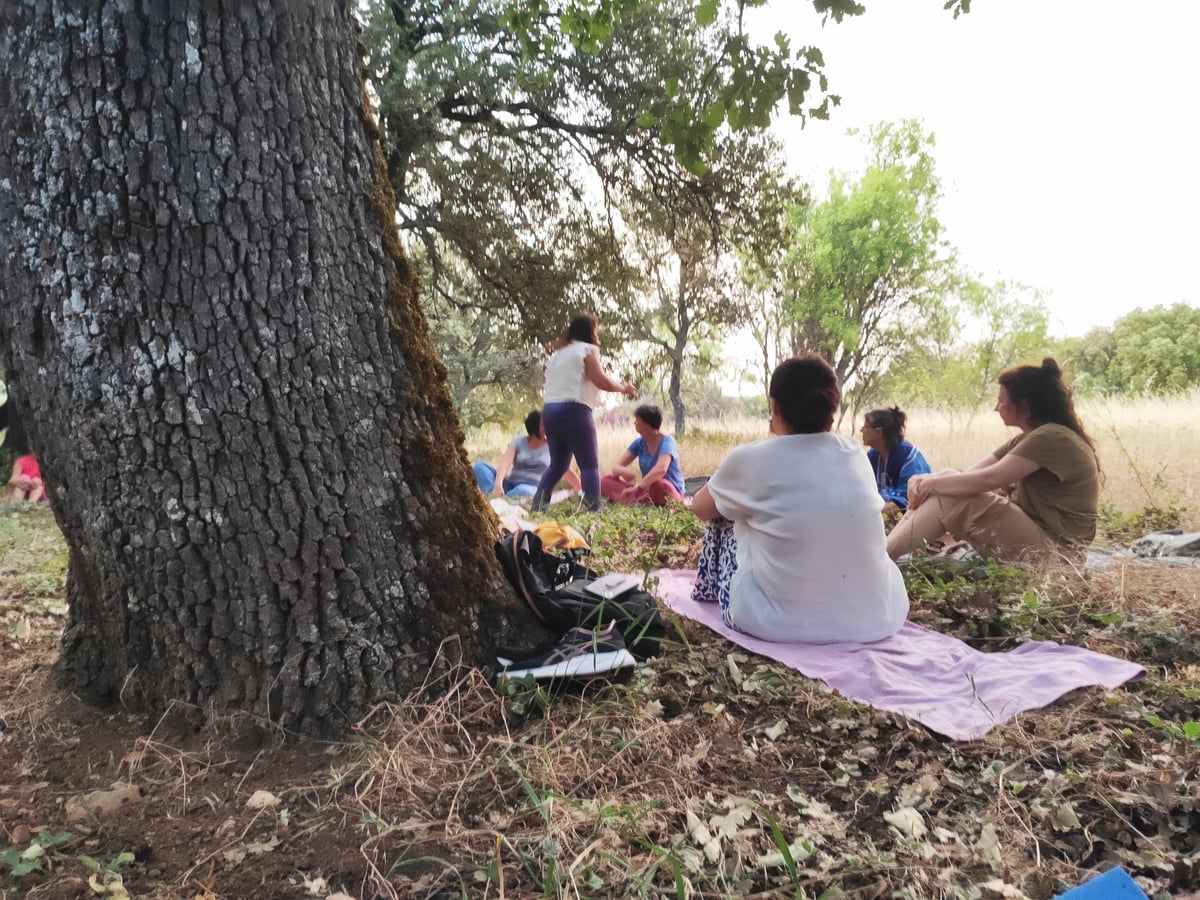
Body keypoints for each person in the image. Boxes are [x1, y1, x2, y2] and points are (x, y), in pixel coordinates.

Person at [689, 355, 909, 644]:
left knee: (724, 513)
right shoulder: (855, 454)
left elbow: (700, 508)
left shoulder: (751, 458)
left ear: (775, 406)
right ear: (832, 407)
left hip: (776, 624)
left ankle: (707, 592)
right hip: (879, 617)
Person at [886, 358, 1100, 563]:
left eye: (1001, 401)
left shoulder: (1051, 437)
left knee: (956, 494)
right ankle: (883, 551)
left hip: (1060, 556)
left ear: (1023, 404)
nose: (996, 408)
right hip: (1042, 541)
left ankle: (882, 557)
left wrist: (930, 483)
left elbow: (989, 479)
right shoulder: (1029, 439)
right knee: (949, 481)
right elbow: (966, 475)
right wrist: (928, 479)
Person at [532, 313, 637, 511]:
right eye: (596, 329)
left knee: (558, 464)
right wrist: (623, 388)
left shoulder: (558, 354)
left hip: (550, 411)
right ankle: (593, 509)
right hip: (574, 410)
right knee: (589, 464)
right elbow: (600, 380)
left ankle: (538, 506)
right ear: (591, 331)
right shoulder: (588, 349)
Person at [473, 409, 581, 500]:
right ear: (534, 427)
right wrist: (498, 484)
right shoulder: (518, 442)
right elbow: (505, 464)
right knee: (480, 467)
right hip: (510, 485)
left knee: (523, 490)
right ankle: (494, 497)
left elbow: (565, 470)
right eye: (544, 425)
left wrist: (583, 488)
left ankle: (504, 501)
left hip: (533, 489)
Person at [600, 404, 686, 507]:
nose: (634, 422)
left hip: (667, 491)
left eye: (637, 419)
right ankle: (635, 501)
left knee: (660, 485)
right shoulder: (639, 443)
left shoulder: (667, 441)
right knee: (604, 481)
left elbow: (661, 470)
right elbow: (616, 467)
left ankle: (632, 502)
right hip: (646, 490)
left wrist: (637, 488)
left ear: (647, 423)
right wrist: (626, 473)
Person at [860, 406, 932, 515]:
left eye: (865, 426)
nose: (861, 430)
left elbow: (904, 502)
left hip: (916, 513)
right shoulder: (873, 455)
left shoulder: (908, 457)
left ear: (879, 432)